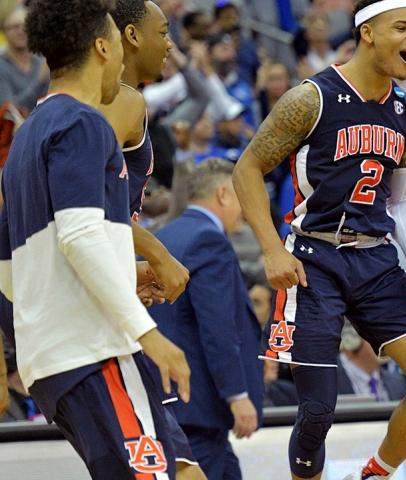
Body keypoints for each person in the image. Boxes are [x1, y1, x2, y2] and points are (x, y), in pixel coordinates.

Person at [232, 1, 406, 479]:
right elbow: (246, 169)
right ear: (367, 32)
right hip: (314, 256)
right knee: (317, 411)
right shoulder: (311, 98)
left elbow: (403, 199)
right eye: (401, 28)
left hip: (375, 258)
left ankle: (374, 473)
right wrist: (271, 248)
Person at [0, 0, 191, 478]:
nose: (124, 61)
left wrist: (122, 273)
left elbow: (12, 260)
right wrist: (148, 334)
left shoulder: (27, 136)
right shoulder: (83, 123)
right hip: (94, 349)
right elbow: (81, 235)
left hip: (52, 362)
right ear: (104, 47)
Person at [98, 3, 203, 477]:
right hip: (91, 312)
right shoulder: (120, 101)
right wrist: (158, 255)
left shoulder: (120, 100)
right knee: (170, 465)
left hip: (97, 288)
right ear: (132, 36)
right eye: (163, 32)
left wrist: (128, 268)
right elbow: (85, 204)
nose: (170, 44)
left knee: (166, 463)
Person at [150, 159, 264, 480]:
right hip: (199, 407)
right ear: (223, 194)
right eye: (241, 196)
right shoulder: (208, 240)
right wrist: (237, 396)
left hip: (169, 400)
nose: (244, 210)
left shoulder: (162, 236)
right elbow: (217, 327)